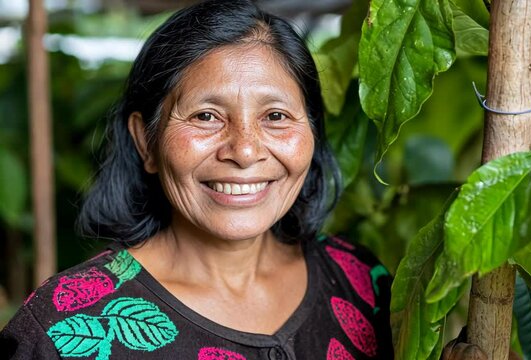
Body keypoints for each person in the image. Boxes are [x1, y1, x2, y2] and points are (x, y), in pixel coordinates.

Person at [0, 1, 393, 358]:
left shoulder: (360, 282)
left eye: (275, 116)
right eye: (206, 116)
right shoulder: (65, 328)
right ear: (146, 141)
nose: (244, 150)